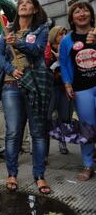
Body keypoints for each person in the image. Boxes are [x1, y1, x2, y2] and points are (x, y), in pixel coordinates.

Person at [0, 0, 51, 194]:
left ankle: (39, 175)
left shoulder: (41, 29)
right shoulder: (7, 30)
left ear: (35, 9)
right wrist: (10, 69)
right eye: (22, 2)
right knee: (13, 132)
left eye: (29, 3)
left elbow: (37, 50)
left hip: (34, 85)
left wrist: (17, 43)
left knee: (37, 132)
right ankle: (12, 173)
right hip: (11, 86)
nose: (24, 5)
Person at [59, 1, 96, 181]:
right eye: (77, 11)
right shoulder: (67, 40)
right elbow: (64, 64)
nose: (81, 13)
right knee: (87, 129)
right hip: (82, 90)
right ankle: (88, 165)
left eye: (85, 10)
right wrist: (67, 85)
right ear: (72, 18)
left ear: (91, 14)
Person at [44, 26, 70, 155]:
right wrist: (56, 63)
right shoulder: (47, 49)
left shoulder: (66, 48)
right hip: (51, 87)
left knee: (65, 116)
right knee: (47, 116)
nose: (64, 36)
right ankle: (44, 146)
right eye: (61, 34)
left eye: (65, 33)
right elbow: (45, 67)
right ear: (54, 35)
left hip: (64, 86)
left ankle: (62, 141)